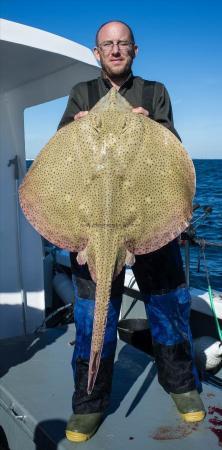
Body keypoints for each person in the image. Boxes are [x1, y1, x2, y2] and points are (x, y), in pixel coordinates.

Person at [58, 20, 206, 443]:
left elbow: (173, 150)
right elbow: (60, 156)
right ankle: (88, 402)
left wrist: (152, 127)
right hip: (93, 226)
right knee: (92, 316)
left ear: (135, 51)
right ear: (97, 52)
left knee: (169, 306)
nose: (116, 50)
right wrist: (76, 129)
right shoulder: (81, 94)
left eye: (123, 44)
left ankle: (182, 386)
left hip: (146, 219)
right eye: (108, 45)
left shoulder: (154, 91)